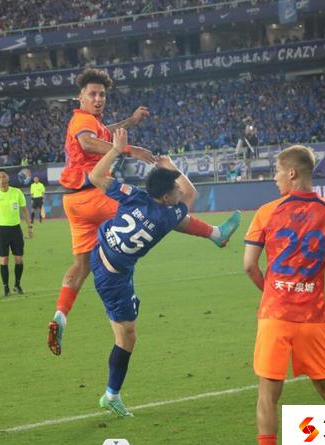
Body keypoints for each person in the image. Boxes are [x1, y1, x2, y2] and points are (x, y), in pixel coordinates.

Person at [47, 68, 239, 355]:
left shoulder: (90, 122)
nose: (98, 99)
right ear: (80, 97)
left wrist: (130, 122)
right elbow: (88, 142)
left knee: (81, 265)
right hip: (95, 194)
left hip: (73, 203)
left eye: (102, 95)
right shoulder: (81, 121)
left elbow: (103, 132)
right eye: (92, 94)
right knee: (153, 212)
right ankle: (214, 233)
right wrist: (130, 150)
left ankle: (60, 316)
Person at [89, 128, 241, 416]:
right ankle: (111, 395)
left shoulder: (134, 196)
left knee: (176, 219)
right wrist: (171, 165)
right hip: (114, 279)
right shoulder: (167, 214)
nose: (180, 192)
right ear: (166, 197)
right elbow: (192, 194)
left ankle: (215, 233)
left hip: (100, 253)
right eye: (175, 191)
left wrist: (116, 150)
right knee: (127, 337)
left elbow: (95, 177)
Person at [243, 145, 325, 445]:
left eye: (277, 171)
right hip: (313, 318)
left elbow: (249, 265)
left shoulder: (267, 212)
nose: (275, 178)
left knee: (268, 394)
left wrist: (272, 291)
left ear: (291, 173)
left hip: (275, 315)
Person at [0, 170, 32, 297]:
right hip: (1, 231)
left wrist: (29, 226)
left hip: (16, 229)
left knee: (19, 259)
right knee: (4, 259)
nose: (2, 179)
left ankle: (17, 284)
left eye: (3, 177)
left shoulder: (17, 192)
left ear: (8, 178)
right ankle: (5, 287)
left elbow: (24, 210)